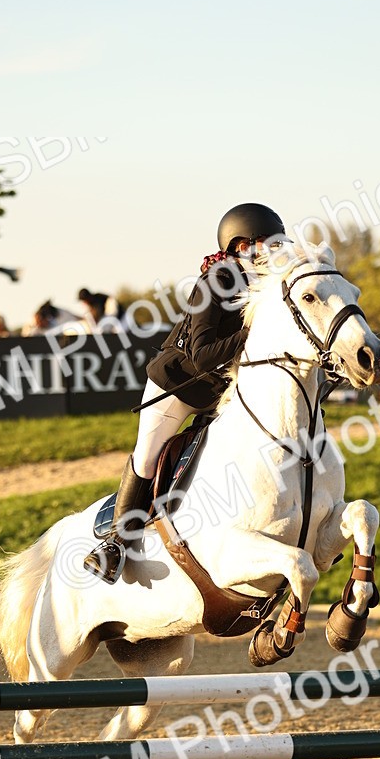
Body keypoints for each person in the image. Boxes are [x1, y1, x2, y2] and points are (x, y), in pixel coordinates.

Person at [84, 201, 286, 581]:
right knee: (147, 458)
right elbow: (204, 354)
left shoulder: (267, 286)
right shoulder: (216, 282)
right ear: (240, 246)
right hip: (177, 384)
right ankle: (114, 544)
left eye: (276, 245)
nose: (273, 253)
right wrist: (253, 334)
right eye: (266, 245)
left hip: (219, 394)